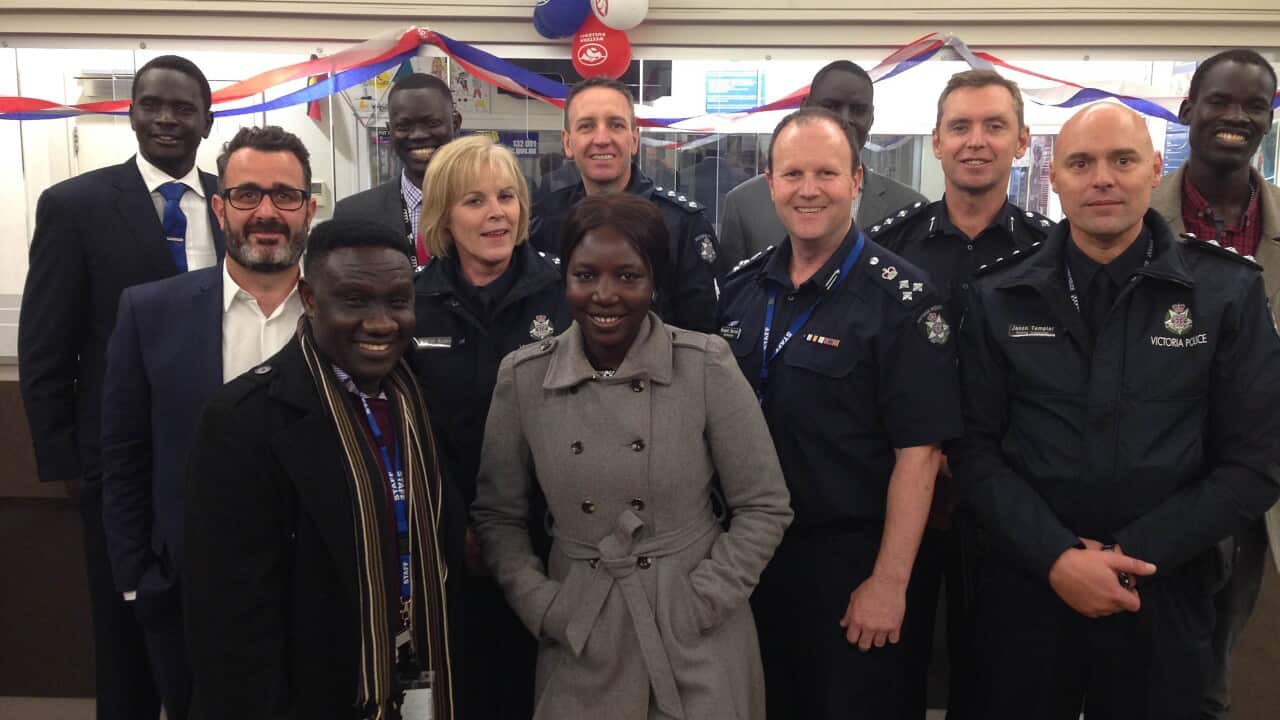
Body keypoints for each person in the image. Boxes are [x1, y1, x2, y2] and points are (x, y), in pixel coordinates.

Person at [951, 102, 1280, 719]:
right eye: (1081, 162)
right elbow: (972, 449)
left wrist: (1127, 559)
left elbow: (1255, 463)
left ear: (1155, 168)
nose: (1102, 177)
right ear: (1055, 177)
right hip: (1026, 588)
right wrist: (1057, 556)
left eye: (1122, 159)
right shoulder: (998, 295)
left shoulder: (1225, 294)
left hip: (1165, 591)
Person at [472, 192, 792, 719]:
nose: (605, 295)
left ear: (654, 283)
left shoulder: (705, 365)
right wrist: (545, 607)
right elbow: (497, 516)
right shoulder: (525, 376)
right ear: (564, 279)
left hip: (695, 637)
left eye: (627, 276)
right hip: (581, 633)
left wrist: (702, 600)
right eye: (585, 275)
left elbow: (764, 504)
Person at [718, 107, 962, 719]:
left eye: (826, 173)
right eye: (792, 173)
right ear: (769, 182)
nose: (808, 189)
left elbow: (921, 453)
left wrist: (889, 582)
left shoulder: (902, 300)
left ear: (856, 180)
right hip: (752, 564)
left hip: (855, 563)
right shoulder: (741, 292)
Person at [184, 218, 463, 720]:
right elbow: (230, 620)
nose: (381, 323)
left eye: (398, 301)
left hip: (423, 674)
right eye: (354, 301)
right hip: (311, 694)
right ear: (310, 300)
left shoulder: (424, 399)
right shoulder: (246, 419)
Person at [17, 54, 222, 720]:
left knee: (221, 632)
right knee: (125, 640)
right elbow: (46, 345)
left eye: (183, 107)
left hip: (223, 458)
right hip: (120, 467)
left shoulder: (236, 202)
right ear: (130, 112)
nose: (166, 118)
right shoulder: (74, 206)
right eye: (151, 104)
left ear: (208, 119)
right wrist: (68, 463)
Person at [99, 125, 315, 720]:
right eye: (247, 195)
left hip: (319, 590)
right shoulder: (150, 312)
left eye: (284, 196)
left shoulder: (343, 313)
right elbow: (124, 454)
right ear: (220, 208)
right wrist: (137, 579)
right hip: (188, 591)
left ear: (309, 209)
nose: (266, 212)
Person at [869, 69, 1054, 720]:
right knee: (891, 670)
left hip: (1012, 506)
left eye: (994, 125)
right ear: (937, 142)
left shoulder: (1051, 256)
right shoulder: (888, 251)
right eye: (961, 127)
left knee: (1001, 682)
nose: (977, 140)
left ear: (1022, 141)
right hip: (904, 500)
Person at [412, 134, 570, 719]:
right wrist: (459, 524)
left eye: (506, 196)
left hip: (551, 543)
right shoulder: (411, 302)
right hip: (446, 545)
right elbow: (408, 431)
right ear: (443, 216)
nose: (496, 212)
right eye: (474, 200)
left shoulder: (565, 294)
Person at [1149, 48, 1280, 720]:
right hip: (1156, 497)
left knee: (1239, 685)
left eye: (1255, 105)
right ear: (1188, 110)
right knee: (1151, 683)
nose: (1237, 117)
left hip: (1264, 507)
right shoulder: (1129, 219)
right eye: (1221, 101)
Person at [528, 77, 724, 334]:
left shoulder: (683, 225)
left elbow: (703, 333)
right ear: (567, 142)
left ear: (633, 140)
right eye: (587, 126)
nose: (601, 138)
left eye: (615, 125)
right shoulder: (544, 220)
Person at [718, 60, 926, 268]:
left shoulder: (910, 210)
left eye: (858, 110)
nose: (844, 119)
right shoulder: (744, 205)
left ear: (871, 118)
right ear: (805, 108)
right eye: (831, 106)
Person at [334, 72, 462, 268]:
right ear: (391, 130)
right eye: (404, 126)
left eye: (432, 123)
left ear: (455, 124)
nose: (418, 135)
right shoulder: (353, 216)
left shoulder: (499, 208)